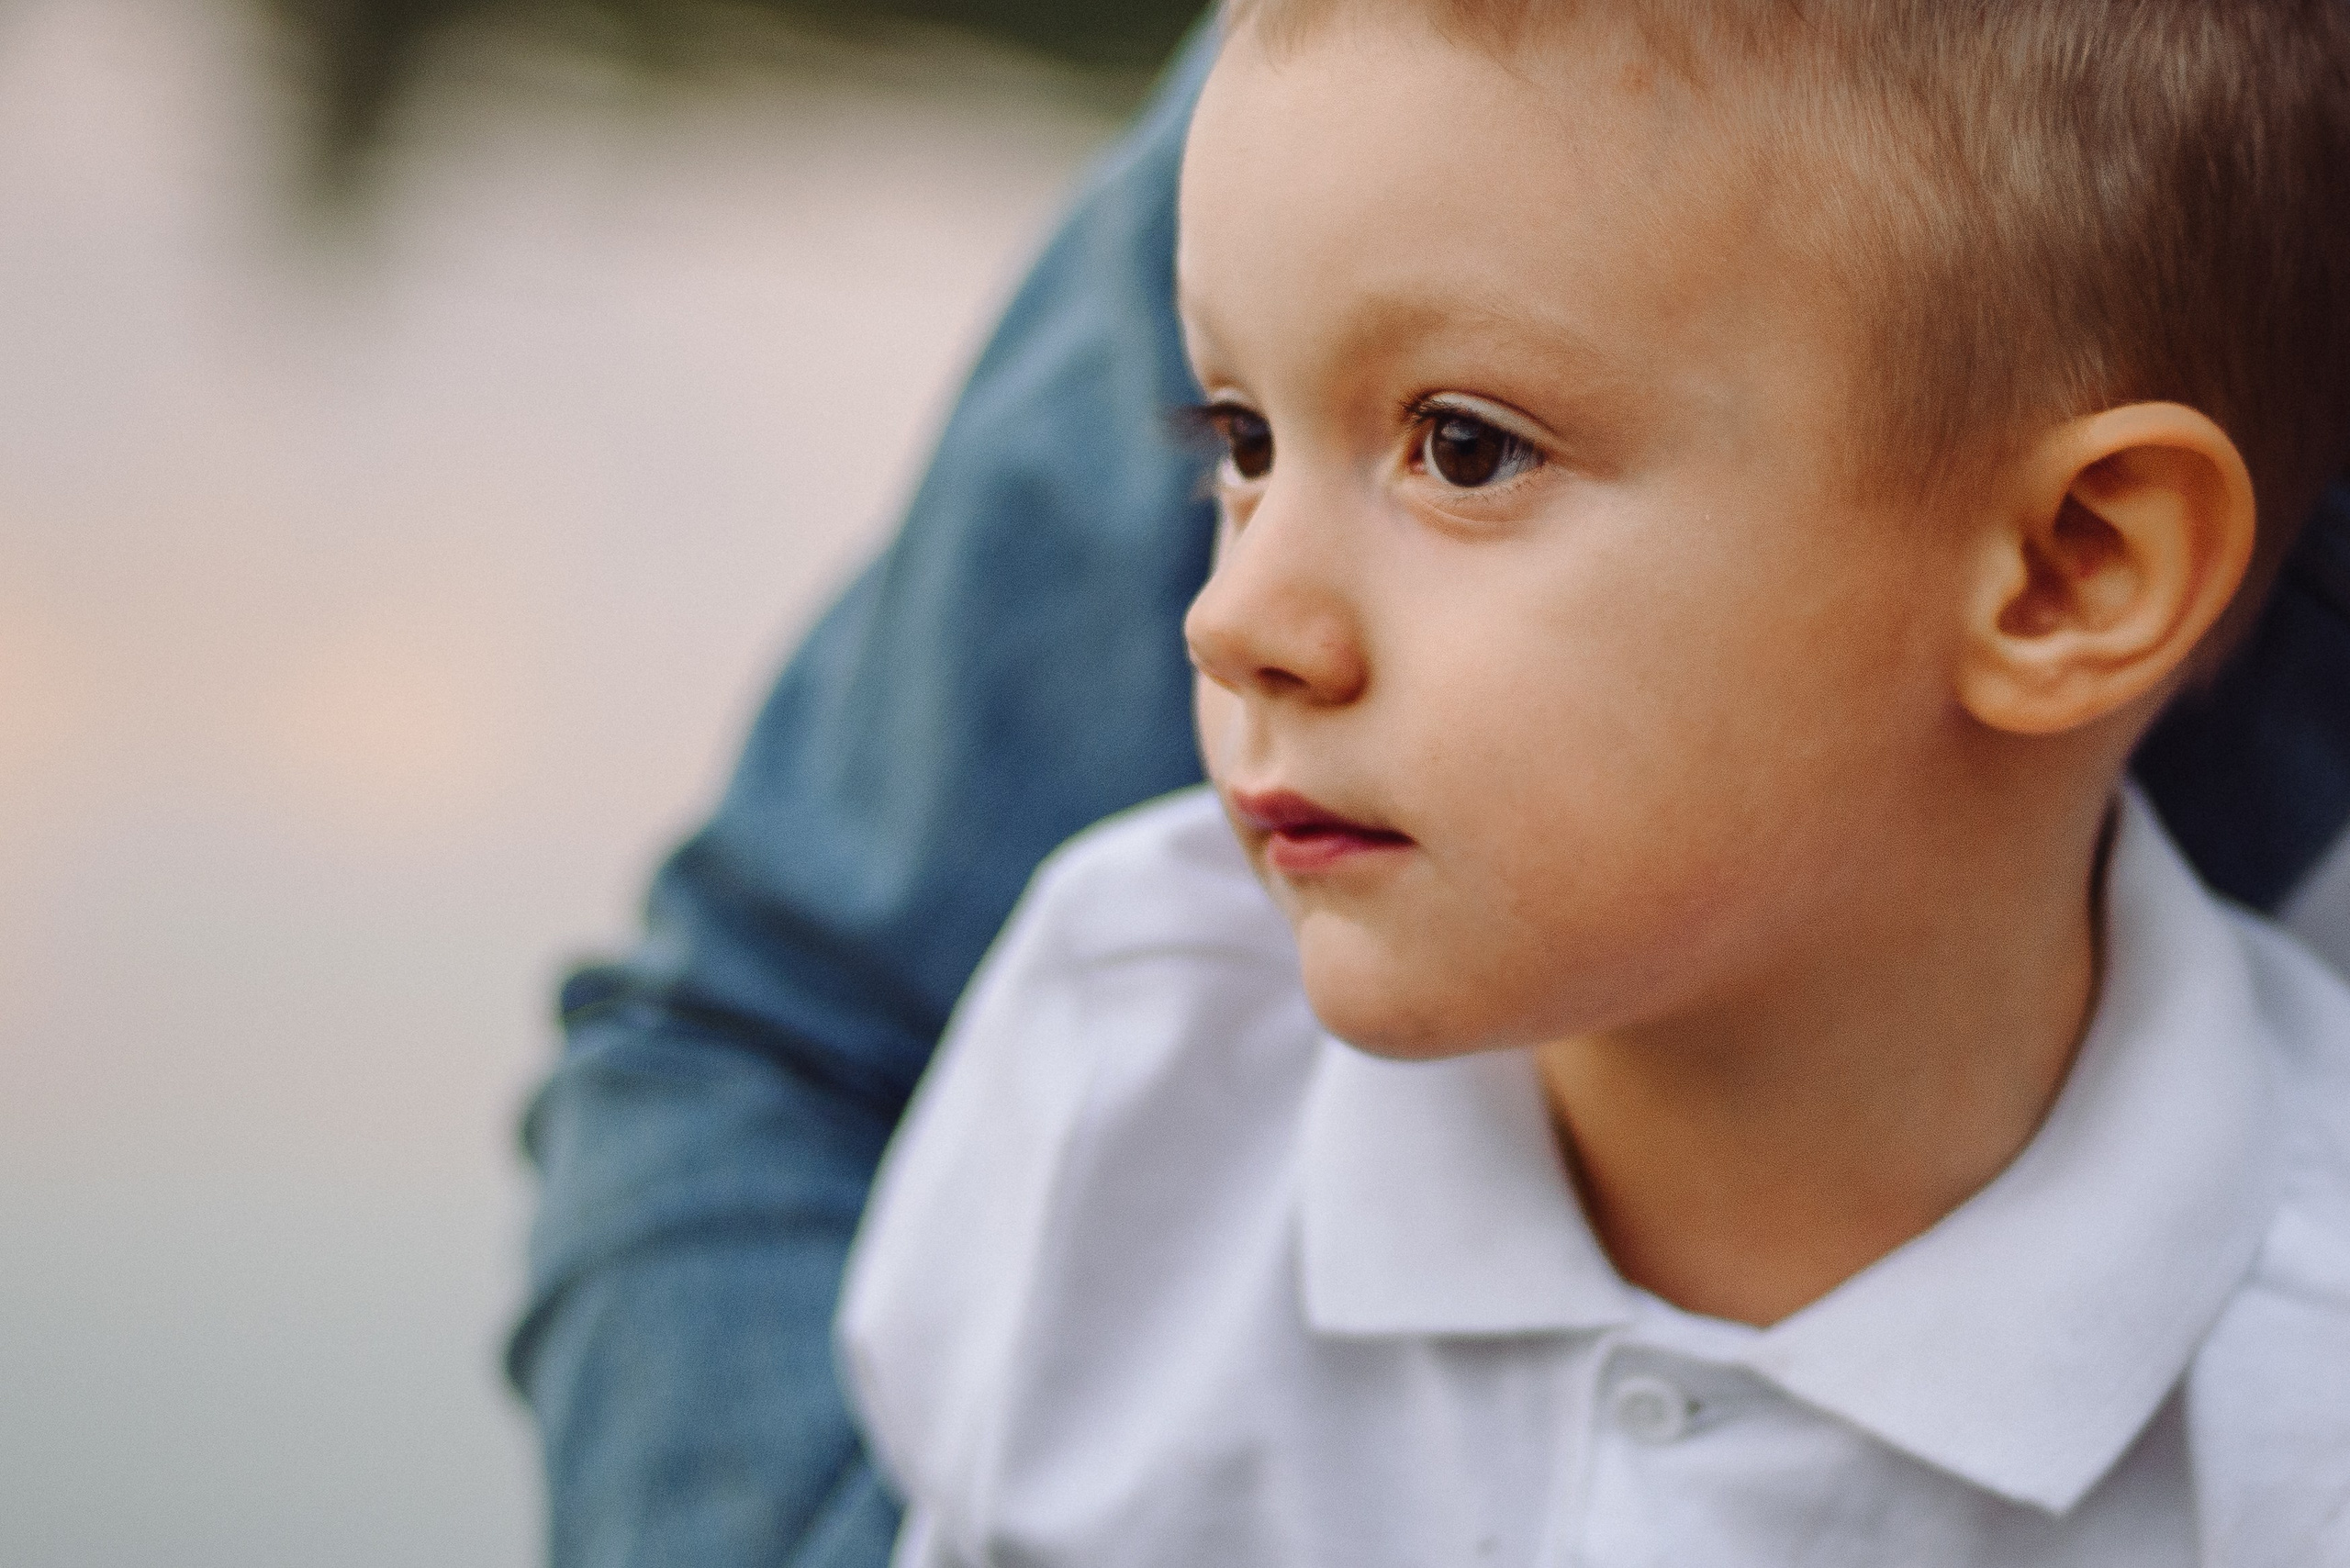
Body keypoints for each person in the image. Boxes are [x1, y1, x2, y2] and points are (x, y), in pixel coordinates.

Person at [507, 12, 2350, 1568]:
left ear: (2066, 568)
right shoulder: (1108, 1063)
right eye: (1232, 436)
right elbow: (744, 1041)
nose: (1229, 615)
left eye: (1461, 447)